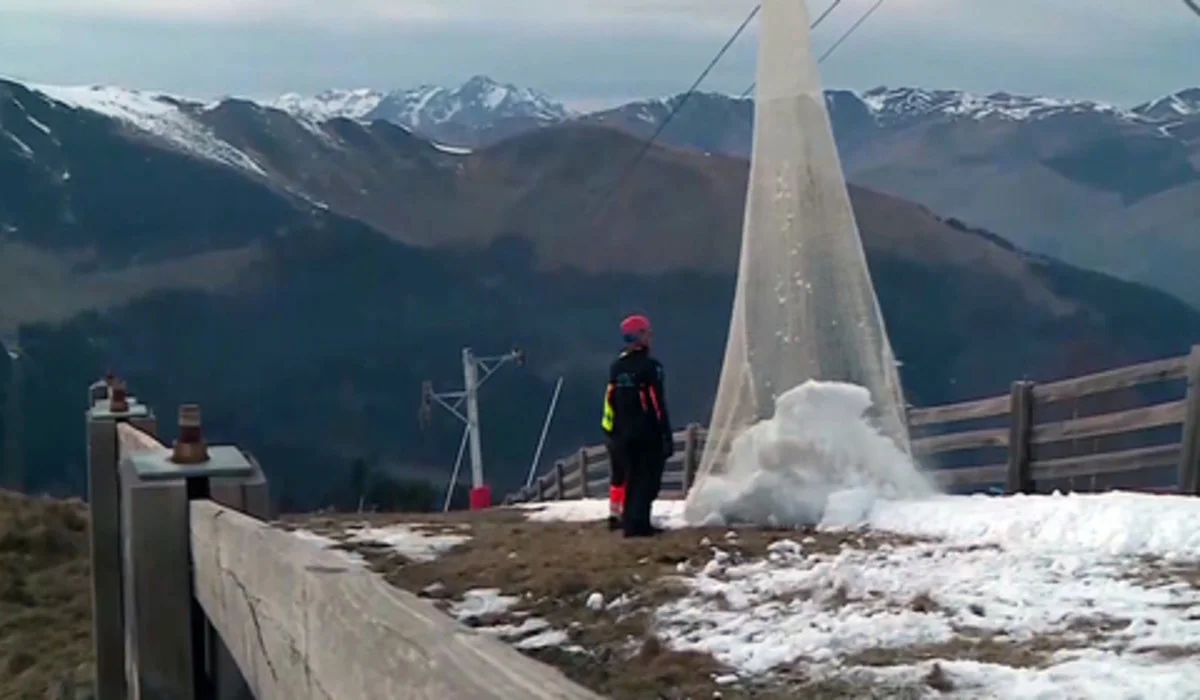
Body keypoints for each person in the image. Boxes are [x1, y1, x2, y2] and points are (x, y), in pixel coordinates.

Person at [601, 314, 673, 537]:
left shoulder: (616, 368)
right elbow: (656, 403)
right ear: (639, 336)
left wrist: (610, 430)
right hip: (646, 433)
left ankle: (631, 521)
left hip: (621, 435)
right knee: (648, 479)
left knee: (631, 478)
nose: (650, 336)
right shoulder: (651, 368)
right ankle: (639, 524)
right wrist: (664, 432)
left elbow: (610, 401)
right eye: (647, 332)